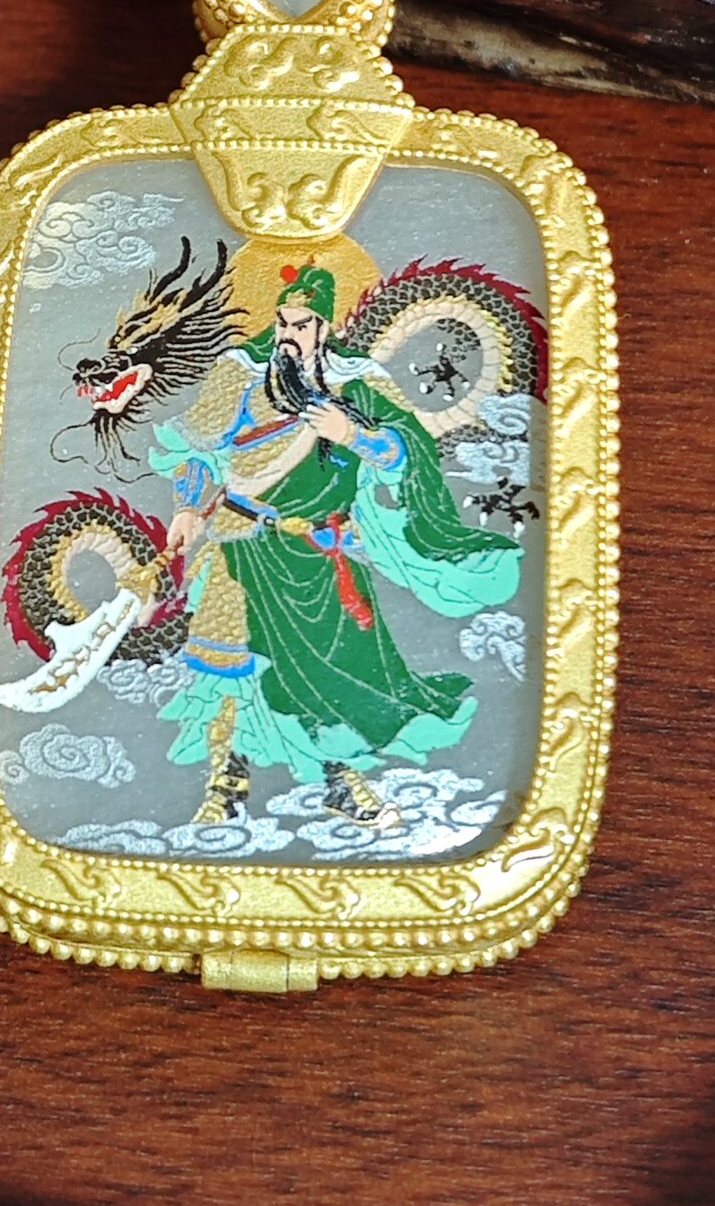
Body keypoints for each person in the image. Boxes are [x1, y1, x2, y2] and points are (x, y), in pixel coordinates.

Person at [151, 263, 521, 828]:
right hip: (243, 540)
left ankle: (341, 782)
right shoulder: (241, 374)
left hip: (324, 550)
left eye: (301, 325)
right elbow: (198, 449)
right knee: (232, 664)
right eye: (282, 322)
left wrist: (353, 435)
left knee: (338, 670)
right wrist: (185, 507)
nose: (288, 335)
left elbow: (408, 454)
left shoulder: (358, 381)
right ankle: (225, 783)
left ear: (326, 326)